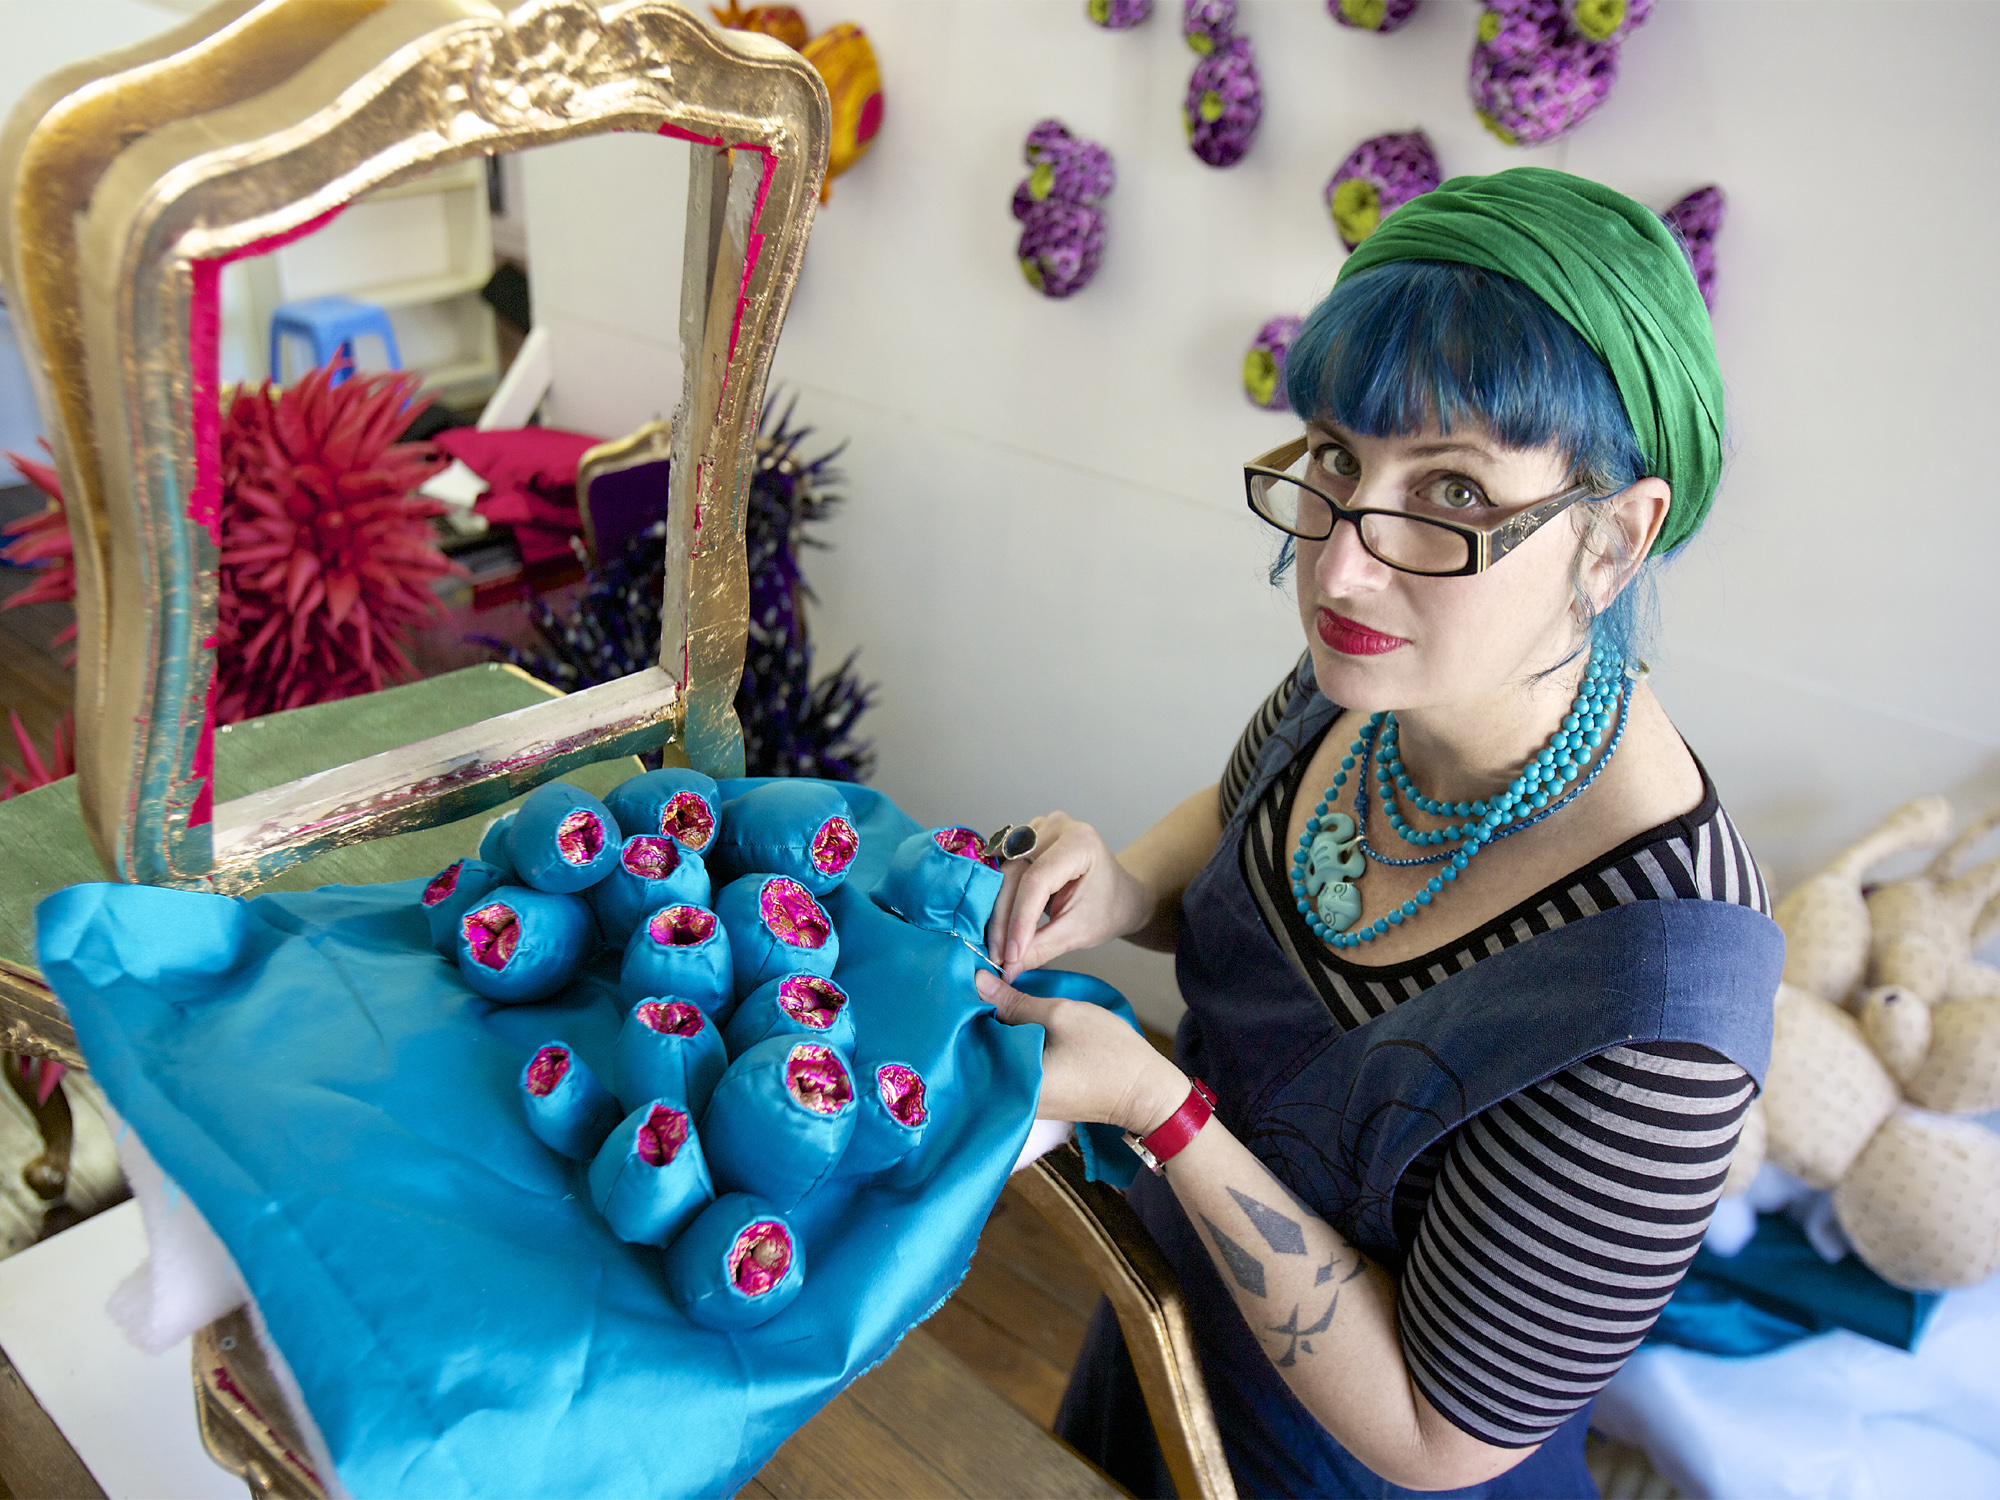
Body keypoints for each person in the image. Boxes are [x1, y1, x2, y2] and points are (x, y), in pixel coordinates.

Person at [972, 168, 1785, 1499]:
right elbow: (1245, 828)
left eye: (1454, 490)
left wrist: (1161, 1111)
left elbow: (1437, 1434)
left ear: (1614, 539)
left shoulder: (1661, 1001)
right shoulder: (1374, 676)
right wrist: (1123, 890)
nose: (1343, 565)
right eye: (1340, 460)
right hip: (1159, 1361)